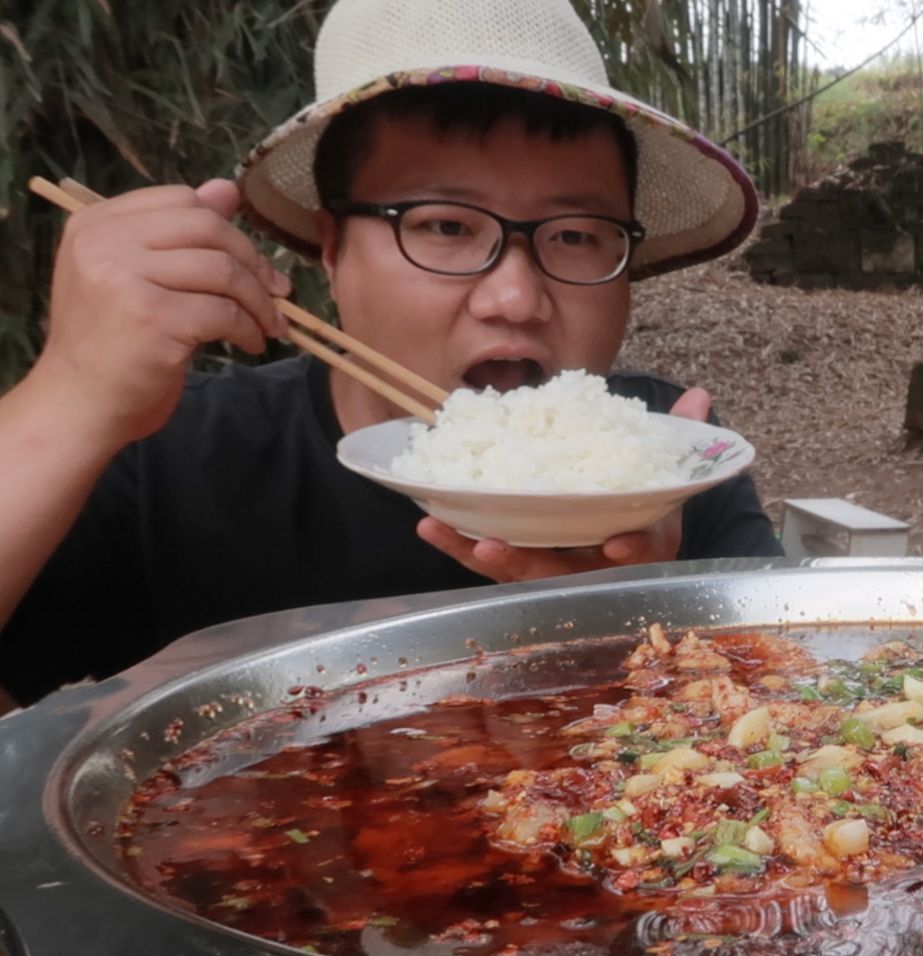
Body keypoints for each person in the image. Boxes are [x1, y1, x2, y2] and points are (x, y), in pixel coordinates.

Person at [0, 0, 778, 705]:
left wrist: (657, 610)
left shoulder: (671, 465)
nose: (514, 297)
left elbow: (803, 734)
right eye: (444, 226)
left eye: (576, 236)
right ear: (331, 250)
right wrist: (68, 397)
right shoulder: (168, 458)